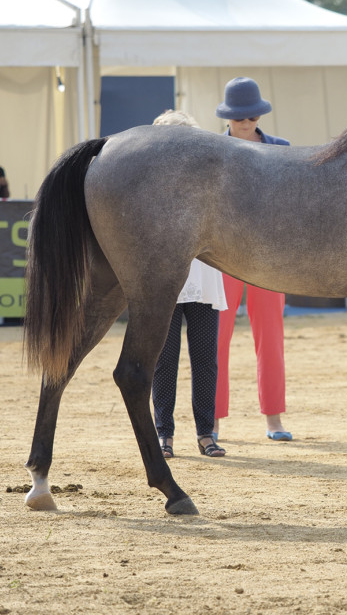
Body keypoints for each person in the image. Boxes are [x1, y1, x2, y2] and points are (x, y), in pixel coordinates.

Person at [213, 77, 292, 442]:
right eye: (239, 118)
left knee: (272, 338)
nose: (246, 123)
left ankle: (274, 420)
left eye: (251, 117)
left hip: (268, 258)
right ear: (228, 117)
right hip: (221, 257)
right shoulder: (210, 150)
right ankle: (210, 421)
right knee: (213, 341)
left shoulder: (281, 149)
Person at [149, 110, 228, 459]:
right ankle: (163, 434)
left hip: (205, 276)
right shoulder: (148, 186)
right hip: (166, 279)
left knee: (205, 360)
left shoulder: (209, 181)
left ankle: (205, 433)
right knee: (164, 361)